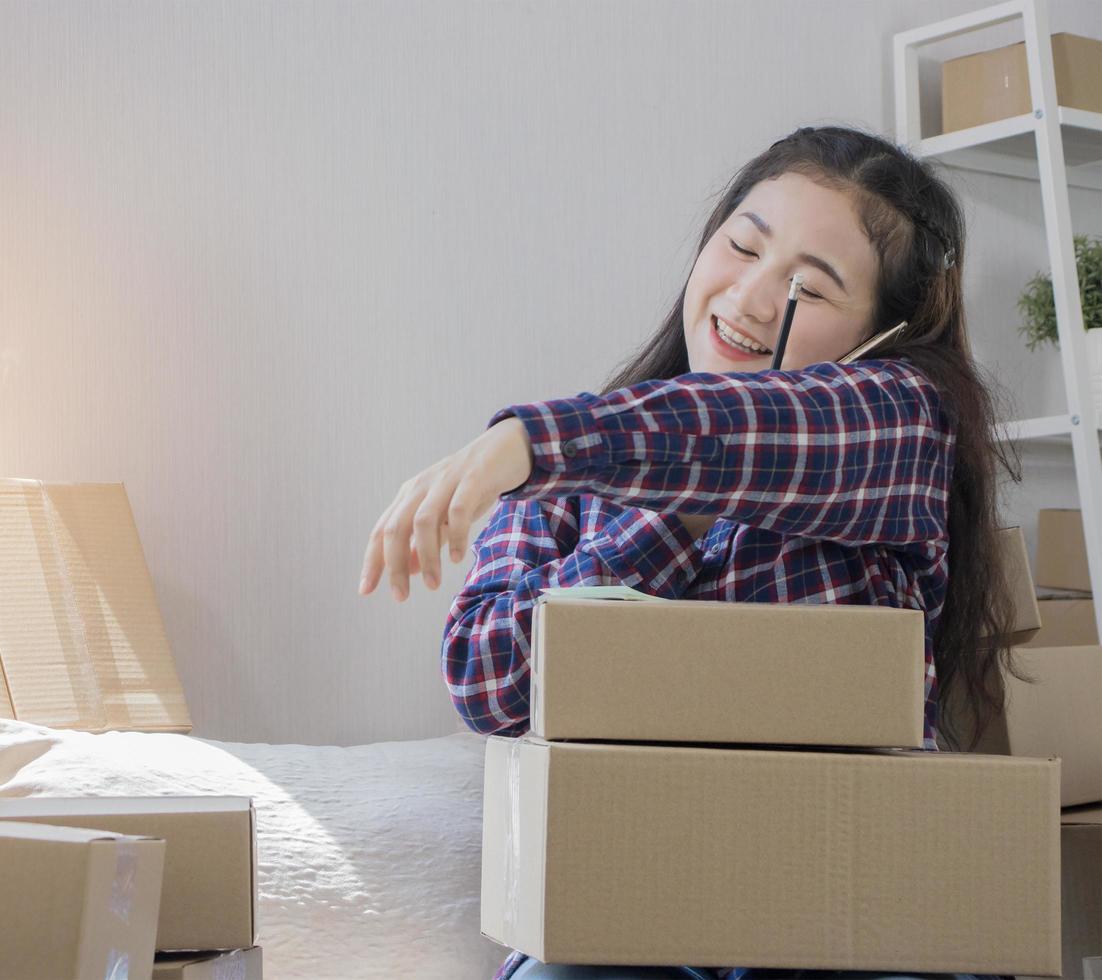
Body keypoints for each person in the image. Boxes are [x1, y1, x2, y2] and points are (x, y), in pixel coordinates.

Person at [356, 124, 1025, 980]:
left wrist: (532, 441)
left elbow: (766, 431)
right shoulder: (579, 472)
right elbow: (487, 683)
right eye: (741, 247)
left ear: (878, 336)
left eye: (807, 292)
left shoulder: (899, 425)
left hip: (855, 906)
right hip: (627, 904)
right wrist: (669, 516)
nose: (747, 298)